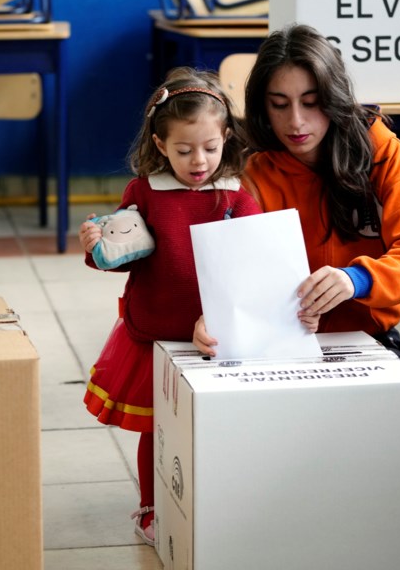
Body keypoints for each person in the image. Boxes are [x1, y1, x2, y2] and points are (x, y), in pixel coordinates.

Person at [193, 24, 400, 426]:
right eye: (279, 104)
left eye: (312, 102)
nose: (296, 121)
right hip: (280, 344)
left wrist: (355, 280)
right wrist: (213, 319)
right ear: (261, 106)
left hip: (368, 336)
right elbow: (233, 274)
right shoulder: (255, 174)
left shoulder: (381, 152)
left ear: (335, 98)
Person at [79, 67, 262, 546]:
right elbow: (125, 254)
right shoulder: (145, 190)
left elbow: (255, 267)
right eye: (183, 150)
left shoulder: (237, 196)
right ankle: (151, 508)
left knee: (219, 428)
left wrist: (226, 312)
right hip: (157, 335)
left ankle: (219, 503)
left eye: (209, 147)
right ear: (161, 145)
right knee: (157, 429)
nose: (198, 160)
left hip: (218, 339)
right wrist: (97, 247)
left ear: (226, 138)